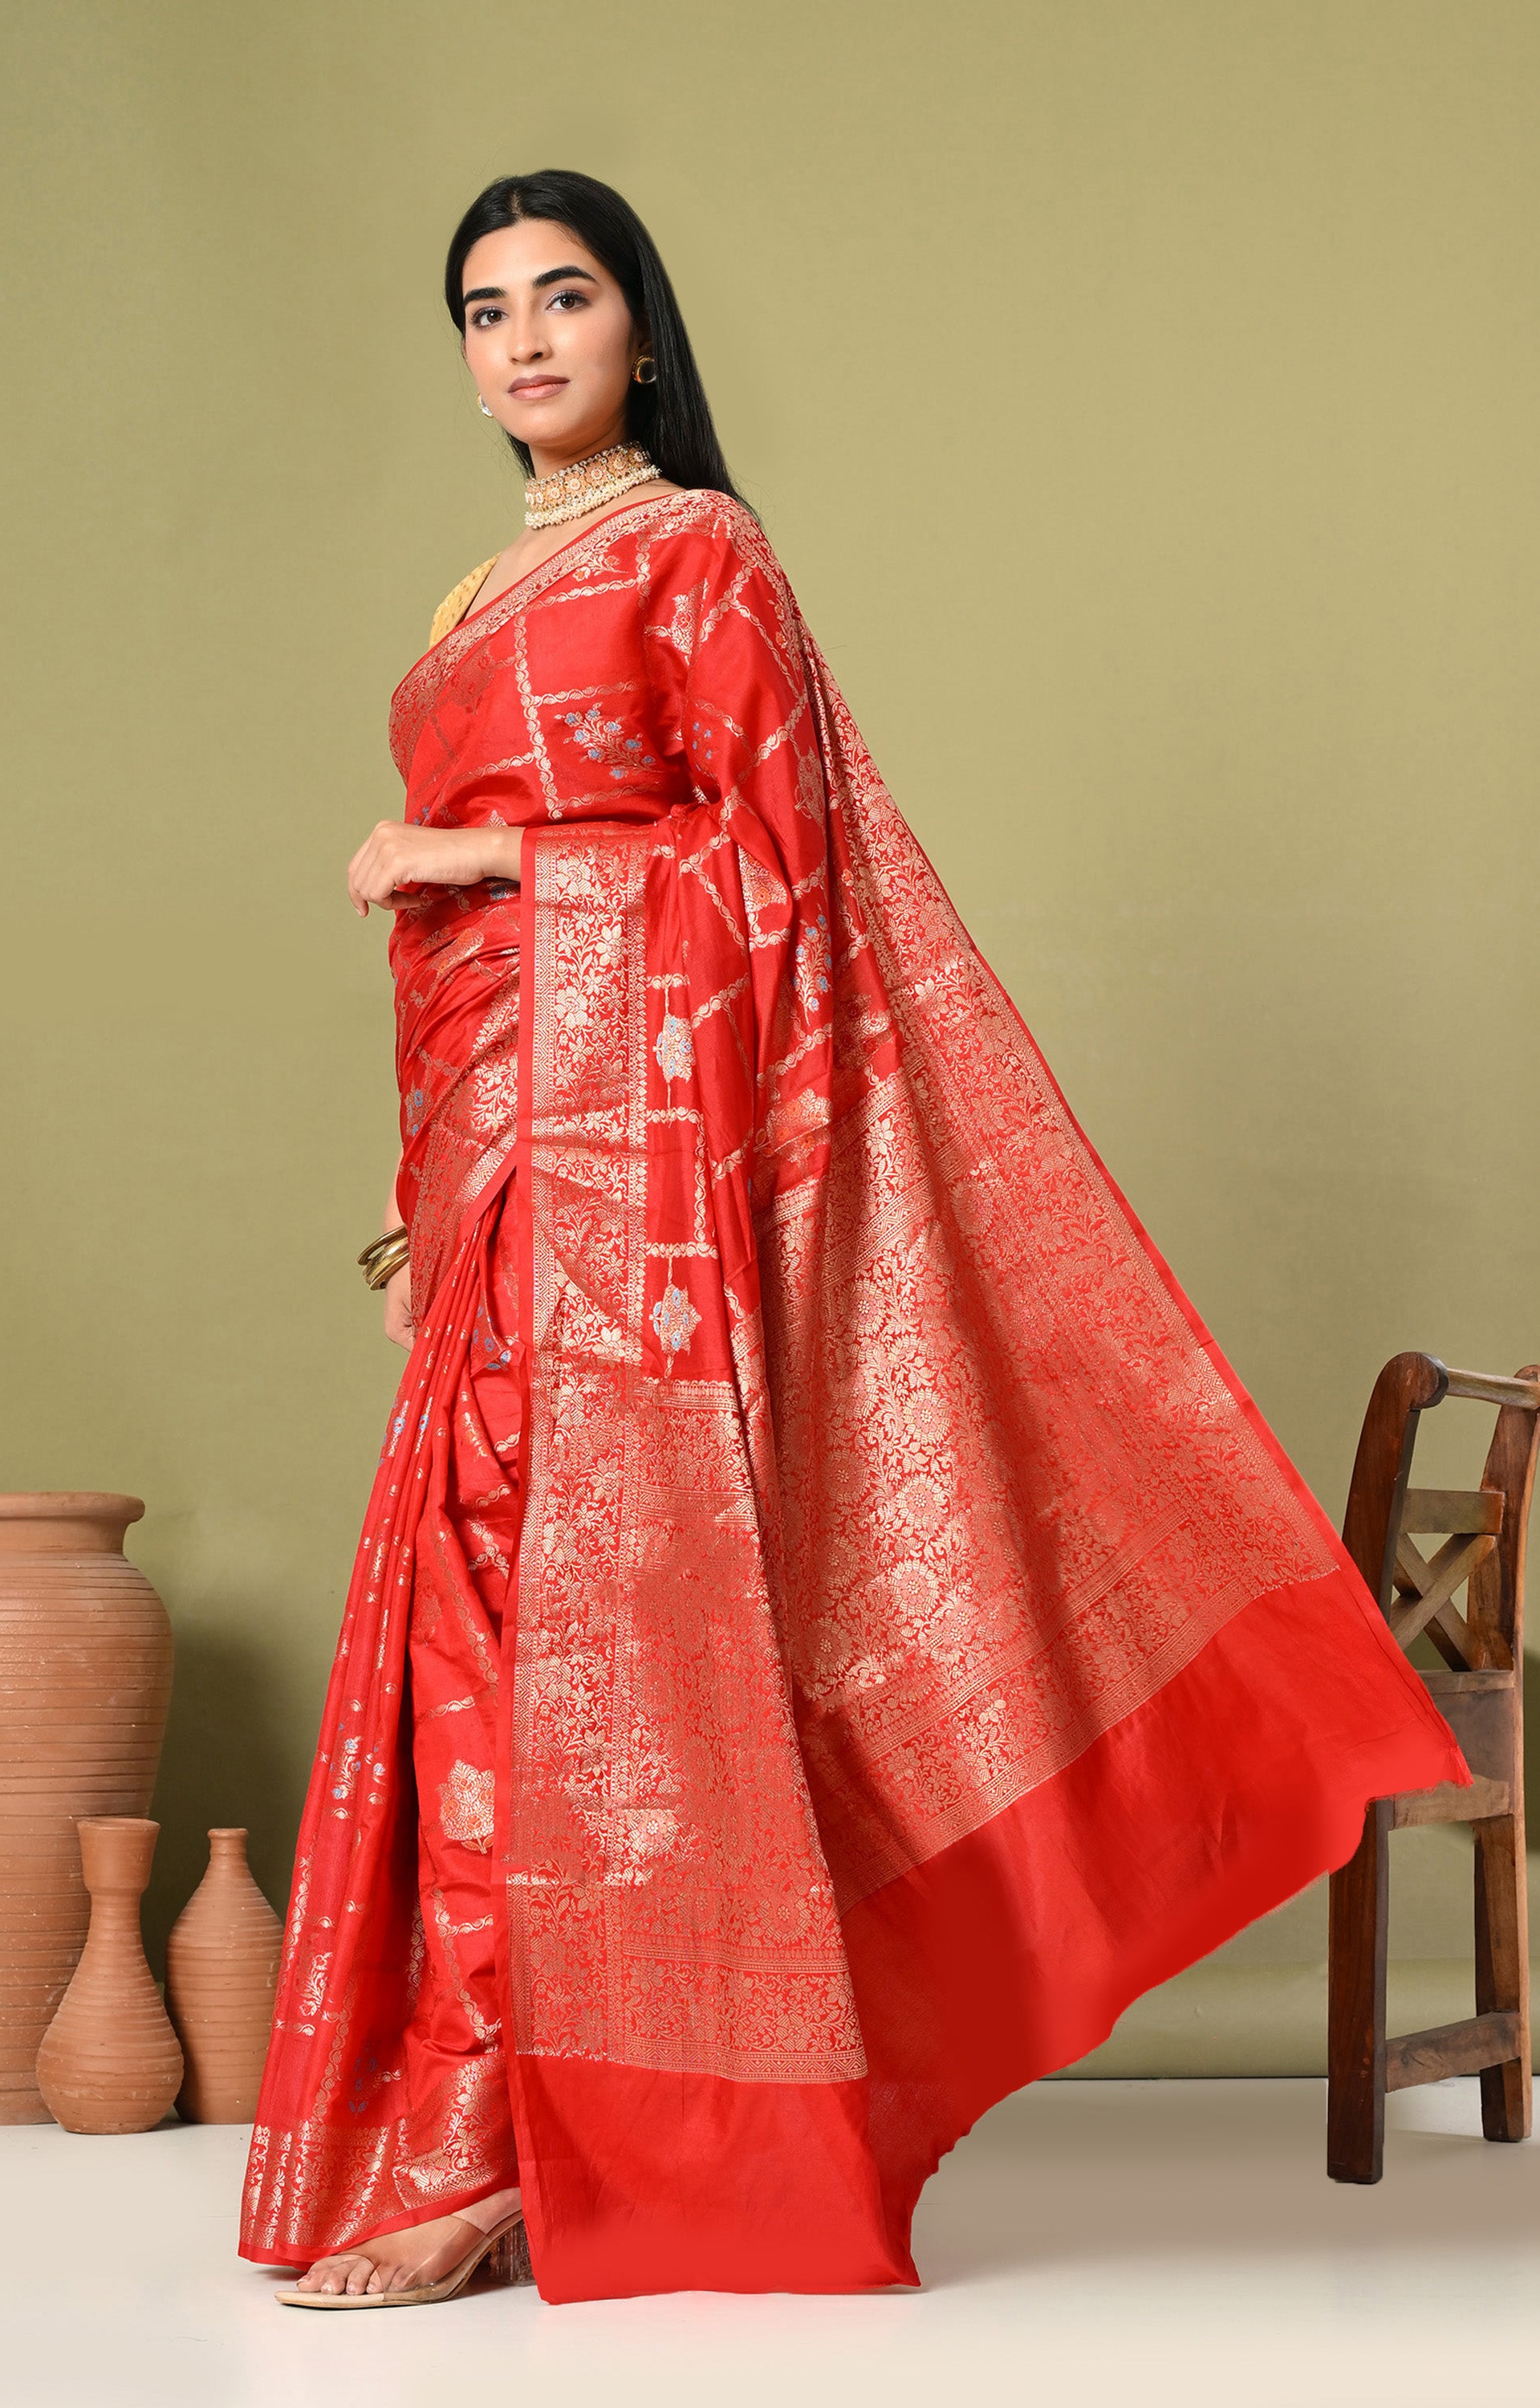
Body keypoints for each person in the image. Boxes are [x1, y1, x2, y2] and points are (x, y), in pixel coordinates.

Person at [243, 169, 1467, 2309]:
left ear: (641, 328)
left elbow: (766, 873)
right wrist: (413, 1196)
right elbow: (455, 977)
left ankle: (536, 2148)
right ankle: (488, 2128)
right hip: (488, 1167)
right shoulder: (475, 590)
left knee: (583, 1646)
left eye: (562, 297)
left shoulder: (698, 551)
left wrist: (472, 855)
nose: (521, 341)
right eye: (483, 310)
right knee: (476, 1640)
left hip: (636, 1190)